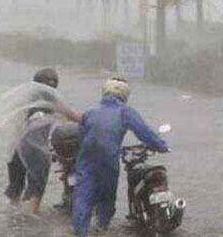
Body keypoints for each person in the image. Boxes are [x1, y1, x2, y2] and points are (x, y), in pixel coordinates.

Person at [71, 77, 168, 237]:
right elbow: (144, 132)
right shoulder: (125, 112)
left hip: (86, 158)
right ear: (125, 95)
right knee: (107, 195)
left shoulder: (90, 113)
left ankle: (80, 233)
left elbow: (82, 138)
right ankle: (101, 230)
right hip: (108, 158)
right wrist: (162, 146)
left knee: (83, 196)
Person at [4, 67, 80, 213]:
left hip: (16, 147)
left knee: (15, 185)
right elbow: (72, 116)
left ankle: (13, 218)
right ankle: (32, 219)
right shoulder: (51, 100)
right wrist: (90, 120)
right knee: (36, 186)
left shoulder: (24, 98)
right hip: (36, 149)